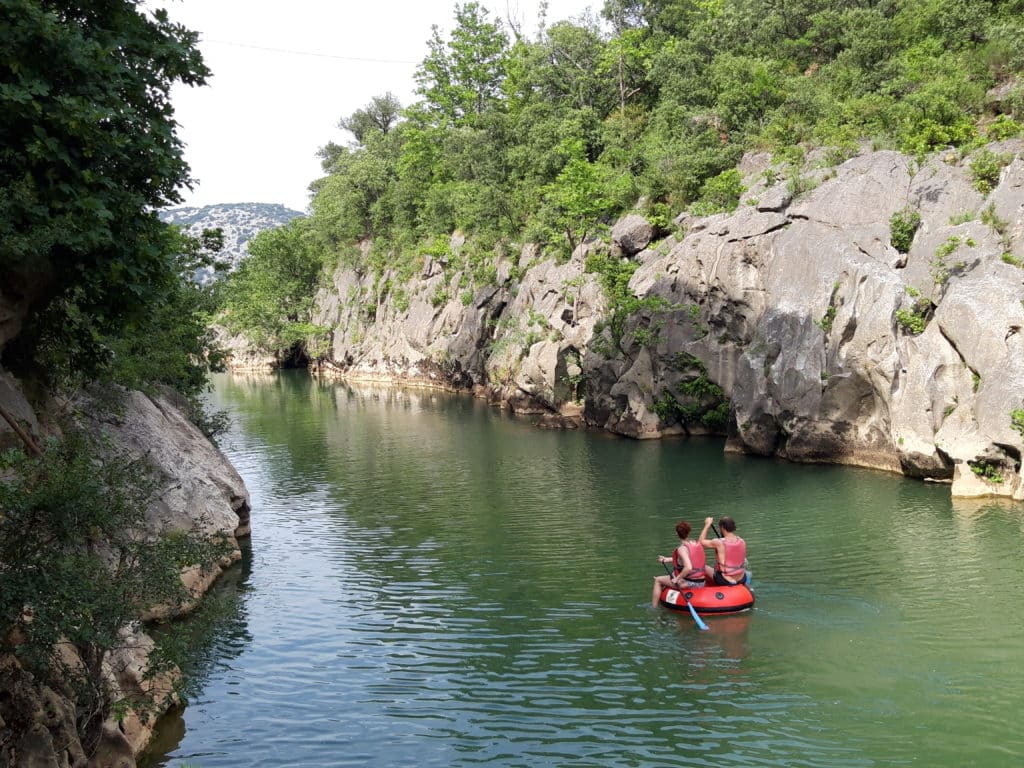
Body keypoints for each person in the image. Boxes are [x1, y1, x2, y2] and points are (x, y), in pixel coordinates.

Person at [651, 520, 706, 607]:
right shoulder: (695, 543)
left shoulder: (682, 549)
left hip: (690, 583)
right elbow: (688, 559)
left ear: (677, 533)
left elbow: (688, 567)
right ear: (688, 532)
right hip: (701, 582)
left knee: (658, 580)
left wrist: (677, 578)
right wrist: (667, 559)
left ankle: (653, 608)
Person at [700, 515, 747, 586]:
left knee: (702, 566)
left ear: (722, 528)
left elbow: (700, 542)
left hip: (726, 580)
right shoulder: (742, 541)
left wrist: (707, 525)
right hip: (742, 578)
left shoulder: (718, 542)